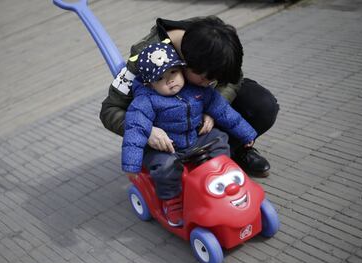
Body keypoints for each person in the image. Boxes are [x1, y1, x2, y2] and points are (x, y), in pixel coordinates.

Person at [101, 16, 279, 177]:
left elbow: (233, 78)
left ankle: (235, 151)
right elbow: (109, 110)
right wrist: (148, 131)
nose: (212, 82)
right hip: (167, 126)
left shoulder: (212, 37)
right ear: (185, 64)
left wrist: (213, 108)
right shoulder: (147, 58)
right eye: (207, 78)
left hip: (203, 107)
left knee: (263, 106)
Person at [122, 42, 257, 227]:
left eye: (173, 73)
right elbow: (135, 129)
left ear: (181, 70)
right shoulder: (146, 101)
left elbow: (223, 111)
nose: (170, 80)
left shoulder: (197, 91)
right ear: (150, 84)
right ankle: (172, 201)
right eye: (161, 78)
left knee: (220, 138)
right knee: (165, 166)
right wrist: (131, 164)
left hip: (194, 138)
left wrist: (246, 133)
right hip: (166, 148)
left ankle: (221, 177)